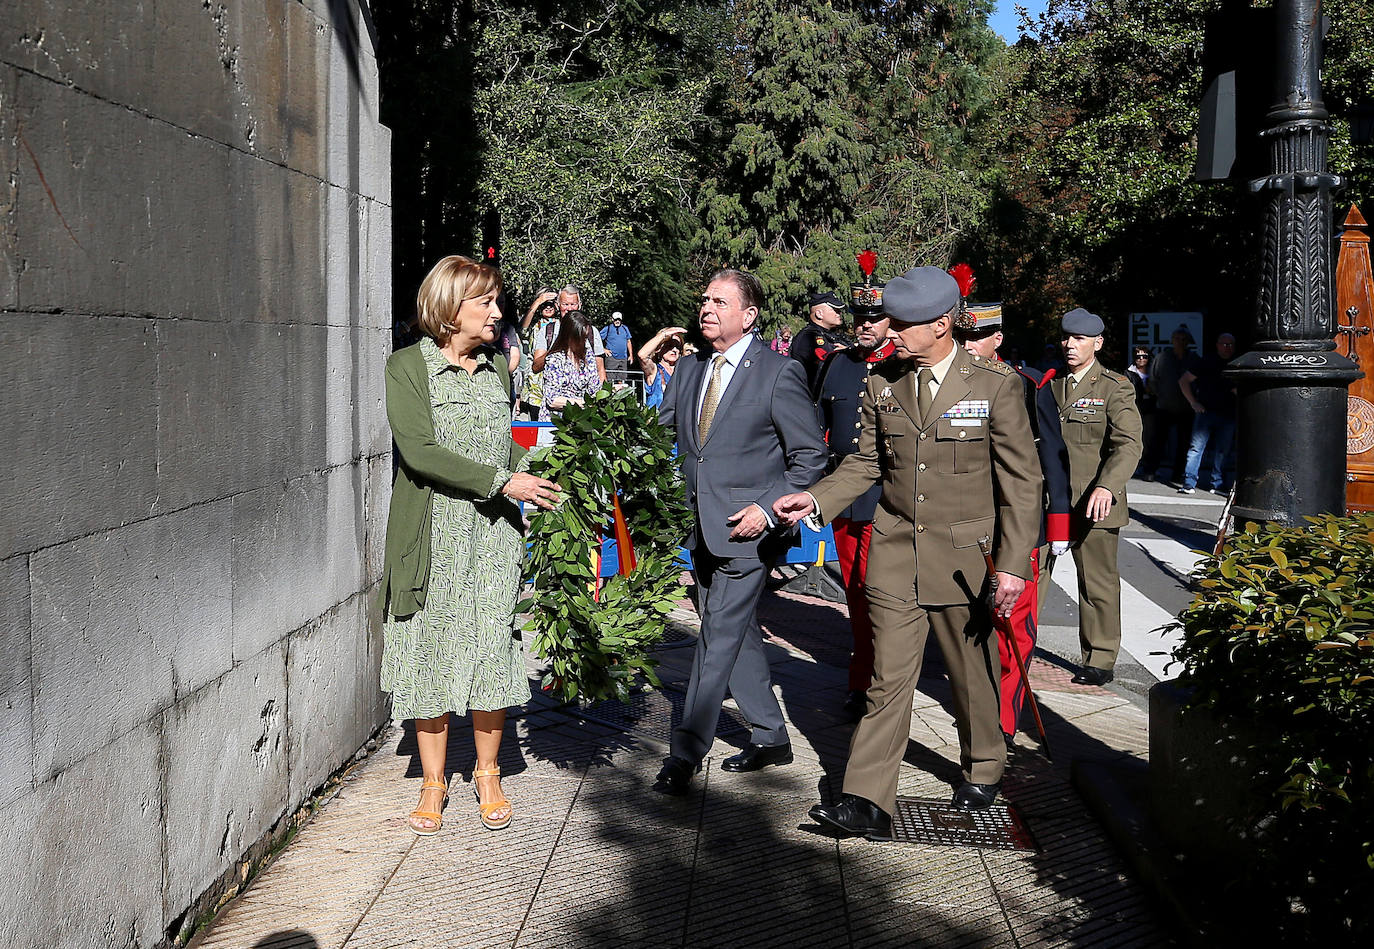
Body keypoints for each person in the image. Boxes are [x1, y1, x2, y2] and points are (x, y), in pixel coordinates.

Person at [775, 266, 1043, 836]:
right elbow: (866, 463)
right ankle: (868, 799)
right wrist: (815, 500)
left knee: (971, 675)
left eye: (902, 322)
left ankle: (984, 765)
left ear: (941, 325)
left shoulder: (995, 386)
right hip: (895, 553)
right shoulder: (883, 383)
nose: (888, 328)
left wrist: (1015, 565)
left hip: (966, 558)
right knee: (888, 678)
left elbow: (1022, 483)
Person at [378, 255, 562, 835]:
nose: (497, 312)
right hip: (432, 536)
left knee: (491, 648)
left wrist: (541, 470)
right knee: (430, 654)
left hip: (493, 537)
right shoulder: (406, 367)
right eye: (485, 302)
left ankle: (487, 772)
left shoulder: (499, 372)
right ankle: (434, 783)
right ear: (450, 307)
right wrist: (502, 480)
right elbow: (419, 452)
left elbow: (505, 449)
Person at [653, 269, 827, 795]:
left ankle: (685, 752)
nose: (706, 308)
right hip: (699, 529)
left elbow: (809, 457)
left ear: (748, 316)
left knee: (716, 637)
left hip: (748, 532)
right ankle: (771, 734)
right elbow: (660, 438)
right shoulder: (688, 371)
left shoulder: (778, 373)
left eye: (719, 301)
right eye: (704, 299)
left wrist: (769, 510)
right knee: (734, 629)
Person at [954, 302, 1072, 745]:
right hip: (965, 525)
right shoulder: (947, 382)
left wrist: (1057, 528)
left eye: (975, 338)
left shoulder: (1025, 386)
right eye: (961, 338)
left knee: (1013, 631)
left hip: (1017, 527)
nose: (966, 346)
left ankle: (1004, 720)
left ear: (996, 339)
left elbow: (1053, 460)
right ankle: (977, 706)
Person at [1046, 308, 1143, 686]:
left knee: (1098, 583)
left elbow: (1128, 444)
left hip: (1094, 501)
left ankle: (1099, 658)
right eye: (1067, 338)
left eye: (1080, 339)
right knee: (1031, 577)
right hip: (1051, 500)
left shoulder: (1114, 386)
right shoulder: (1050, 384)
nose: (1070, 345)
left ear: (1097, 343)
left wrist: (1107, 485)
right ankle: (1017, 649)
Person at [812, 277, 893, 721]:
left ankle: (885, 680)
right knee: (856, 594)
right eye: (859, 317)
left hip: (888, 494)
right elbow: (817, 423)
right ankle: (860, 684)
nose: (863, 325)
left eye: (873, 318)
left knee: (881, 592)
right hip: (845, 490)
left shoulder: (902, 365)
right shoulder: (836, 365)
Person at [1177, 333, 1237, 494]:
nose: (1227, 347)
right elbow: (1184, 380)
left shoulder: (1237, 364)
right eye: (1224, 344)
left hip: (1228, 413)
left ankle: (1217, 483)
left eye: (1230, 344)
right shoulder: (1206, 361)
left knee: (1223, 450)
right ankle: (1189, 482)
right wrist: (1193, 402)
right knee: (1196, 448)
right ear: (1217, 345)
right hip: (1206, 411)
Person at [1145, 327, 1197, 483]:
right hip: (1164, 407)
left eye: (1183, 339)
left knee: (1184, 444)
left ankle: (1178, 474)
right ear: (1172, 340)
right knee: (1157, 442)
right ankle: (1150, 471)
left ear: (1188, 342)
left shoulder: (1194, 358)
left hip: (1187, 408)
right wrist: (1160, 395)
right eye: (1177, 338)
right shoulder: (1162, 357)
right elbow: (1153, 379)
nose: (1180, 342)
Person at [532, 284, 607, 383]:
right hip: (556, 394)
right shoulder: (547, 331)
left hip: (584, 395)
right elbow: (536, 367)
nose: (569, 309)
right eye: (565, 304)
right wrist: (557, 347)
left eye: (573, 304)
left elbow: (600, 370)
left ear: (579, 305)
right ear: (557, 305)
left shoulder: (591, 332)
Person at [538, 309, 603, 421]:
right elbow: (552, 400)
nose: (585, 341)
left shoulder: (588, 355)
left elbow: (595, 388)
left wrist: (611, 391)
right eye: (582, 338)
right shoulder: (554, 359)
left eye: (586, 337)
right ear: (570, 337)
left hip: (580, 421)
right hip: (553, 422)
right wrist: (584, 403)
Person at [791, 290, 849, 389]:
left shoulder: (832, 335)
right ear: (819, 314)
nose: (839, 313)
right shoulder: (809, 337)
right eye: (834, 310)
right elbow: (825, 366)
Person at [518, 290, 559, 420]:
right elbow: (522, 330)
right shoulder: (535, 325)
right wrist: (537, 302)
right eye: (544, 305)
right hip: (535, 381)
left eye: (551, 304)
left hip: (555, 377)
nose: (548, 307)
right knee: (535, 418)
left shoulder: (561, 324)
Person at [1126, 346, 1156, 477]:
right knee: (1135, 438)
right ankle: (1135, 466)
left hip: (1151, 409)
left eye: (1145, 356)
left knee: (1150, 439)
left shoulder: (1154, 372)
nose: (1141, 359)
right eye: (1138, 356)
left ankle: (1148, 468)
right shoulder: (1128, 373)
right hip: (1135, 409)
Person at [638, 325, 685, 409]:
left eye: (678, 346)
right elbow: (642, 355)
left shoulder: (683, 371)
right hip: (658, 420)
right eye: (669, 346)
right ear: (658, 349)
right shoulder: (654, 371)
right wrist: (664, 334)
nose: (674, 350)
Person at [600, 311, 634, 383]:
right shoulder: (608, 328)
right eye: (615, 319)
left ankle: (621, 393)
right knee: (610, 380)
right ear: (612, 319)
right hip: (612, 358)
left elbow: (628, 341)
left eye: (619, 319)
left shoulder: (625, 328)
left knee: (622, 380)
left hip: (623, 358)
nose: (617, 321)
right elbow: (597, 339)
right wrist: (604, 349)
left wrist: (631, 355)